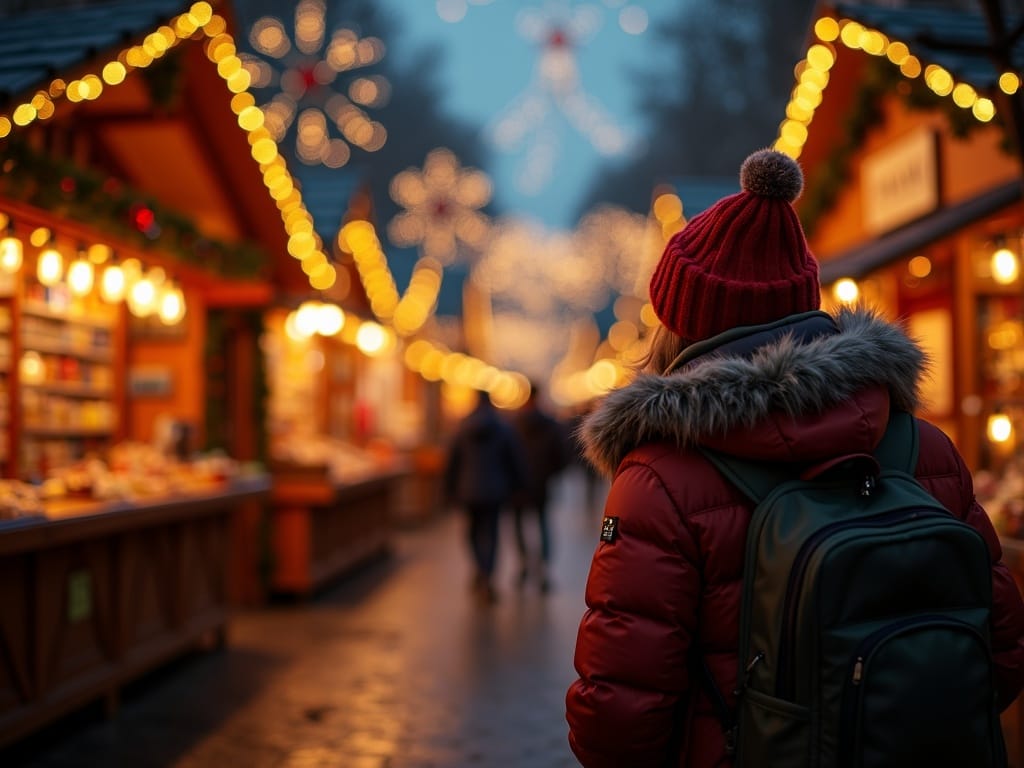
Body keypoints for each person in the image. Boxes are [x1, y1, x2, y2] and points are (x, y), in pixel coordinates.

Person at [564, 148, 1024, 767]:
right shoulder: (923, 446)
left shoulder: (660, 477)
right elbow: (1003, 648)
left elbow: (619, 718)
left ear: (681, 321)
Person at [443, 388, 528, 604]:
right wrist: (519, 485)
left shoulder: (462, 427)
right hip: (495, 490)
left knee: (471, 533)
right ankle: (487, 575)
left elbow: (453, 461)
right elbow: (514, 459)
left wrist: (449, 490)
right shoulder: (503, 428)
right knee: (491, 534)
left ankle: (479, 569)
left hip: (467, 490)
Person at [511, 381, 570, 592]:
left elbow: (508, 454)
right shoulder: (549, 423)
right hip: (542, 482)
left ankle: (524, 562)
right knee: (543, 523)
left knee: (518, 525)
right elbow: (561, 454)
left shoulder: (515, 422)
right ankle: (543, 568)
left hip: (517, 483)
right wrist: (551, 473)